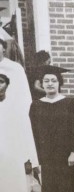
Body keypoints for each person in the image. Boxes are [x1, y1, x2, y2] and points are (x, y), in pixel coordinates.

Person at [29, 65, 74, 192]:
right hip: (46, 157)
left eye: (53, 80)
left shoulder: (70, 103)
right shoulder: (36, 105)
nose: (50, 84)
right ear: (42, 84)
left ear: (59, 83)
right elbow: (33, 133)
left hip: (66, 156)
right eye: (46, 81)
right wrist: (36, 160)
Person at [0, 39, 39, 192]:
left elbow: (24, 99)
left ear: (4, 50)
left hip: (12, 120)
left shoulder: (15, 69)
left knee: (14, 165)